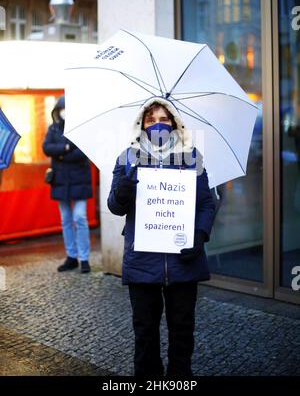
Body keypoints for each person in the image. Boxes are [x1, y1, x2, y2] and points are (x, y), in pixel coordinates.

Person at [107, 96, 216, 377]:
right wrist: (122, 191)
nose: (157, 125)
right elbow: (115, 206)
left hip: (183, 261)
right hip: (142, 260)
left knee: (182, 332)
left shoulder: (192, 156)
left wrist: (200, 236)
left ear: (174, 122)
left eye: (163, 119)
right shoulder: (127, 157)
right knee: (145, 334)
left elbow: (206, 203)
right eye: (151, 120)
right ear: (142, 124)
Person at [43, 96, 92, 274]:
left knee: (79, 217)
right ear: (57, 110)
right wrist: (65, 148)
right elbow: (46, 148)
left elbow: (82, 153)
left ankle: (84, 258)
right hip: (61, 180)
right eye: (61, 108)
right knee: (65, 219)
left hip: (79, 179)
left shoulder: (81, 129)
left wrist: (61, 155)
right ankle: (71, 257)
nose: (63, 111)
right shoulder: (53, 128)